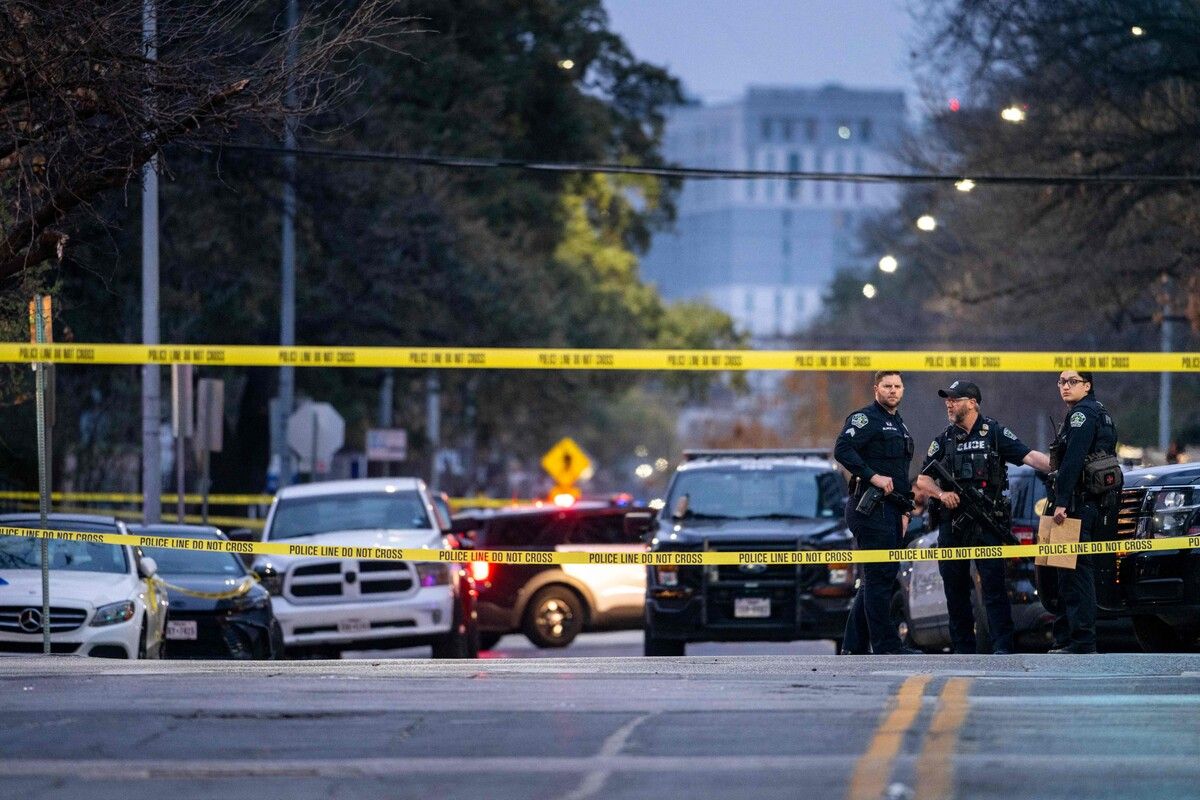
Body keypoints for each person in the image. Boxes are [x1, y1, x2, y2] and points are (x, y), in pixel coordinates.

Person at [915, 380, 1051, 654]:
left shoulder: (994, 432)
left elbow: (1029, 457)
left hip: (988, 522)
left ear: (973, 403)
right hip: (953, 524)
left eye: (955, 399)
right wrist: (942, 495)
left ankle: (1003, 648)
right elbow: (922, 479)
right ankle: (963, 650)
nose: (949, 404)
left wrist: (1062, 467)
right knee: (955, 590)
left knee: (994, 588)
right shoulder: (943, 440)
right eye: (947, 400)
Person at [833, 370, 918, 655]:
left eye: (897, 386)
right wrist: (873, 476)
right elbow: (842, 449)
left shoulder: (898, 423)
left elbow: (900, 473)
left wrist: (906, 510)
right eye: (887, 386)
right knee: (880, 579)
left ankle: (853, 647)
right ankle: (886, 645)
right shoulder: (866, 418)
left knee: (875, 579)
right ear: (876, 389)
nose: (893, 390)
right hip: (870, 508)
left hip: (892, 511)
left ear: (903, 390)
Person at [1045, 370, 1119, 654]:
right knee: (1065, 571)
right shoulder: (1101, 412)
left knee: (1073, 574)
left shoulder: (1081, 416)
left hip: (1074, 504)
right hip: (1090, 503)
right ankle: (1066, 638)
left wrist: (1061, 501)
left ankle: (1081, 641)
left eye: (1072, 382)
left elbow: (1073, 461)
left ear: (1087, 386)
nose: (1065, 386)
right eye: (1062, 382)